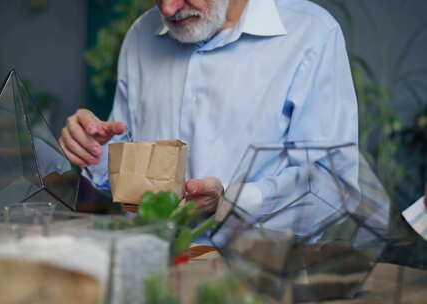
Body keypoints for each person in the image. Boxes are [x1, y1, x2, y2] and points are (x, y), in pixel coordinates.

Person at [59, 0, 358, 234]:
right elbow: (126, 180)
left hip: (258, 276)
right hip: (154, 266)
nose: (168, 8)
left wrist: (231, 200)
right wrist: (94, 150)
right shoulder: (141, 34)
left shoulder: (311, 34)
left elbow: (331, 188)